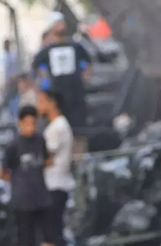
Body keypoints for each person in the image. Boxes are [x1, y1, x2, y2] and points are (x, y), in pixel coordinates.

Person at [0, 106, 55, 246]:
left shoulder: (40, 141)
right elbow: (4, 172)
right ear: (20, 123)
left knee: (50, 239)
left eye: (33, 123)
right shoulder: (13, 146)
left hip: (42, 195)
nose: (30, 127)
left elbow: (48, 161)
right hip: (22, 199)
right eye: (27, 123)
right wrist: (19, 182)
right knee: (26, 242)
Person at [33, 13, 92, 155]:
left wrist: (86, 77)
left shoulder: (76, 47)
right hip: (58, 99)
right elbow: (35, 67)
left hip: (76, 97)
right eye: (57, 23)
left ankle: (78, 164)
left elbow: (88, 62)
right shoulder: (47, 51)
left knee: (79, 133)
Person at [39, 90, 74, 246]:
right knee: (54, 231)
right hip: (53, 184)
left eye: (42, 101)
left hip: (56, 184)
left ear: (51, 103)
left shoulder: (58, 127)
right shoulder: (55, 126)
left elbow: (46, 156)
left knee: (55, 233)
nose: (39, 105)